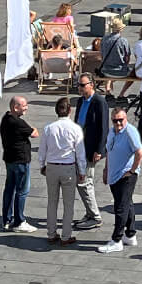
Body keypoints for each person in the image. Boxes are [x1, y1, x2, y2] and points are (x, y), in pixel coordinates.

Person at [38, 97, 86, 246]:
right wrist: (82, 171)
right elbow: (80, 153)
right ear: (70, 110)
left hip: (52, 167)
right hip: (68, 167)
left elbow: (42, 151)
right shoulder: (75, 129)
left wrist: (42, 165)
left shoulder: (48, 128)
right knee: (68, 204)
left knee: (52, 202)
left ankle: (51, 234)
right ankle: (66, 236)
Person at [97, 105, 142, 253]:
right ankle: (130, 234)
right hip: (114, 174)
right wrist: (106, 169)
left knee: (120, 207)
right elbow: (109, 151)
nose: (118, 124)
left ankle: (116, 240)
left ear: (126, 119)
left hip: (126, 175)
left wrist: (132, 170)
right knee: (127, 203)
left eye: (121, 120)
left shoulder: (130, 132)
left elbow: (140, 152)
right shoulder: (112, 131)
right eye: (115, 121)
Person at [69, 76, 109, 231]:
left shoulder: (99, 102)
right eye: (78, 85)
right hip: (80, 147)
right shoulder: (80, 101)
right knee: (82, 180)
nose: (79, 88)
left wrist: (99, 150)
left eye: (82, 85)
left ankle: (95, 216)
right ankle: (89, 212)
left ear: (91, 85)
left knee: (85, 181)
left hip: (91, 148)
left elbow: (103, 128)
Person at [0, 95, 38, 232]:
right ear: (16, 107)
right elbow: (34, 133)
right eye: (24, 105)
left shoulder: (6, 119)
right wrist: (31, 128)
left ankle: (7, 220)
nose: (26, 107)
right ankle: (19, 221)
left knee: (9, 189)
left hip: (9, 159)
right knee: (22, 191)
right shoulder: (18, 123)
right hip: (20, 160)